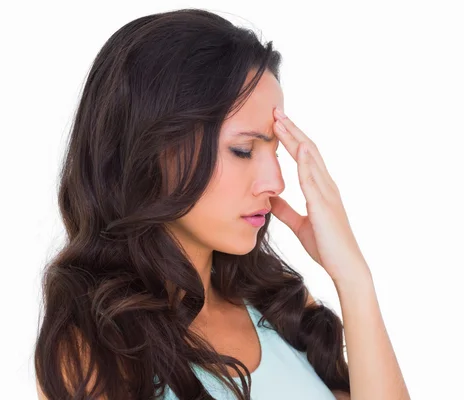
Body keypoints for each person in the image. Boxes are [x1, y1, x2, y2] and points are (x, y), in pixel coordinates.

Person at [34, 8, 409, 400]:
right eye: (243, 150)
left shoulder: (282, 308)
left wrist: (353, 279)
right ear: (150, 151)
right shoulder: (93, 352)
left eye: (276, 152)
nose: (276, 183)